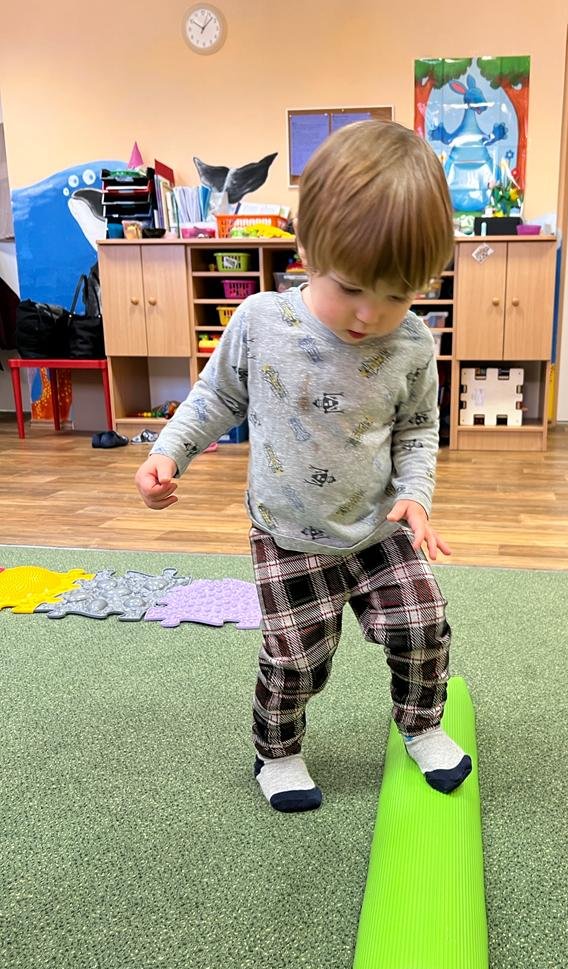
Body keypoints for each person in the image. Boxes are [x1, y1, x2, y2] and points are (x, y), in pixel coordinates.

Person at [134, 120, 472, 812]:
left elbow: (417, 427)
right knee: (294, 661)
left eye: (398, 295)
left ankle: (421, 725)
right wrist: (169, 452)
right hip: (288, 534)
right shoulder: (261, 323)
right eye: (351, 287)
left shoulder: (412, 345)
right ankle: (278, 752)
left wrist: (416, 494)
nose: (370, 314)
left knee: (423, 626)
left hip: (378, 529)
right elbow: (216, 397)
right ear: (309, 248)